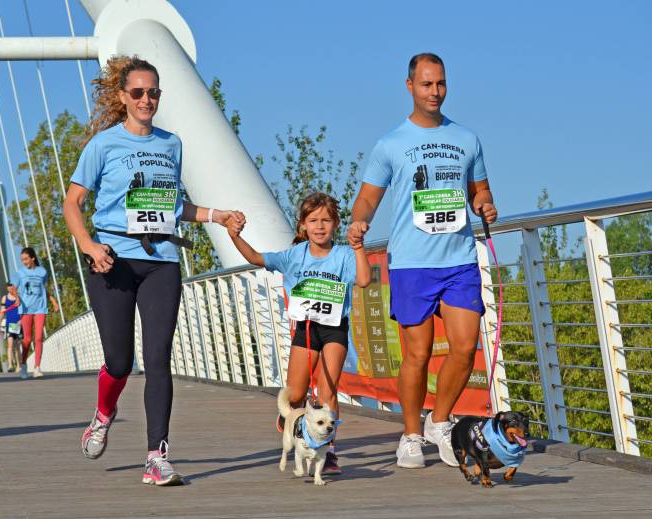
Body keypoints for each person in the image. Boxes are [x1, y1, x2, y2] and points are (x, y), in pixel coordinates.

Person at [63, 56, 244, 486]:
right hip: (114, 260)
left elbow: (173, 205)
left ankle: (156, 457)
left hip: (162, 260)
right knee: (120, 362)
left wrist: (218, 215)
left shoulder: (171, 144)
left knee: (159, 359)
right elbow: (72, 203)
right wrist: (89, 246)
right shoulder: (103, 145)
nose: (147, 99)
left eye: (154, 92)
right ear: (123, 97)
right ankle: (104, 413)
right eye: (139, 92)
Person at [347, 53, 498, 469]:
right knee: (418, 353)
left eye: (441, 84)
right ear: (410, 86)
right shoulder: (391, 143)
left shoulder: (467, 139)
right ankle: (411, 434)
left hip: (459, 259)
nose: (435, 92)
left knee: (466, 347)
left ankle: (441, 420)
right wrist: (359, 222)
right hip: (413, 263)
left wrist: (484, 204)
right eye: (427, 84)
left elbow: (479, 190)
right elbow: (368, 198)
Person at [229, 192, 371, 476]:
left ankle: (329, 452)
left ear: (335, 224)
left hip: (334, 329)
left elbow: (365, 281)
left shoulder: (343, 254)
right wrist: (234, 235)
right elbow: (256, 257)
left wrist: (357, 248)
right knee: (294, 395)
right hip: (305, 330)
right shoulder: (295, 255)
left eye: (326, 221)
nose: (320, 227)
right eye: (313, 220)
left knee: (328, 391)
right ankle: (291, 418)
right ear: (303, 225)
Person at [11, 247, 59, 379]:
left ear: (33, 258)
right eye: (22, 260)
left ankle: (37, 367)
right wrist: (17, 298)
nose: (24, 262)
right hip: (26, 309)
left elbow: (44, 289)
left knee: (38, 338)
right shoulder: (19, 273)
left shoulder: (42, 272)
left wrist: (53, 301)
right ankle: (23, 365)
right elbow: (13, 288)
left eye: (26, 259)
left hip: (40, 308)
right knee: (27, 339)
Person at [0, 282, 22, 372]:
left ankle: (19, 365)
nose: (10, 289)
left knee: (18, 346)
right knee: (10, 345)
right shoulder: (4, 298)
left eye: (11, 287)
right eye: (8, 287)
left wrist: (21, 320)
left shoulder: (18, 297)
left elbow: (22, 307)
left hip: (17, 323)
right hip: (9, 323)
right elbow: (2, 311)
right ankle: (10, 365)